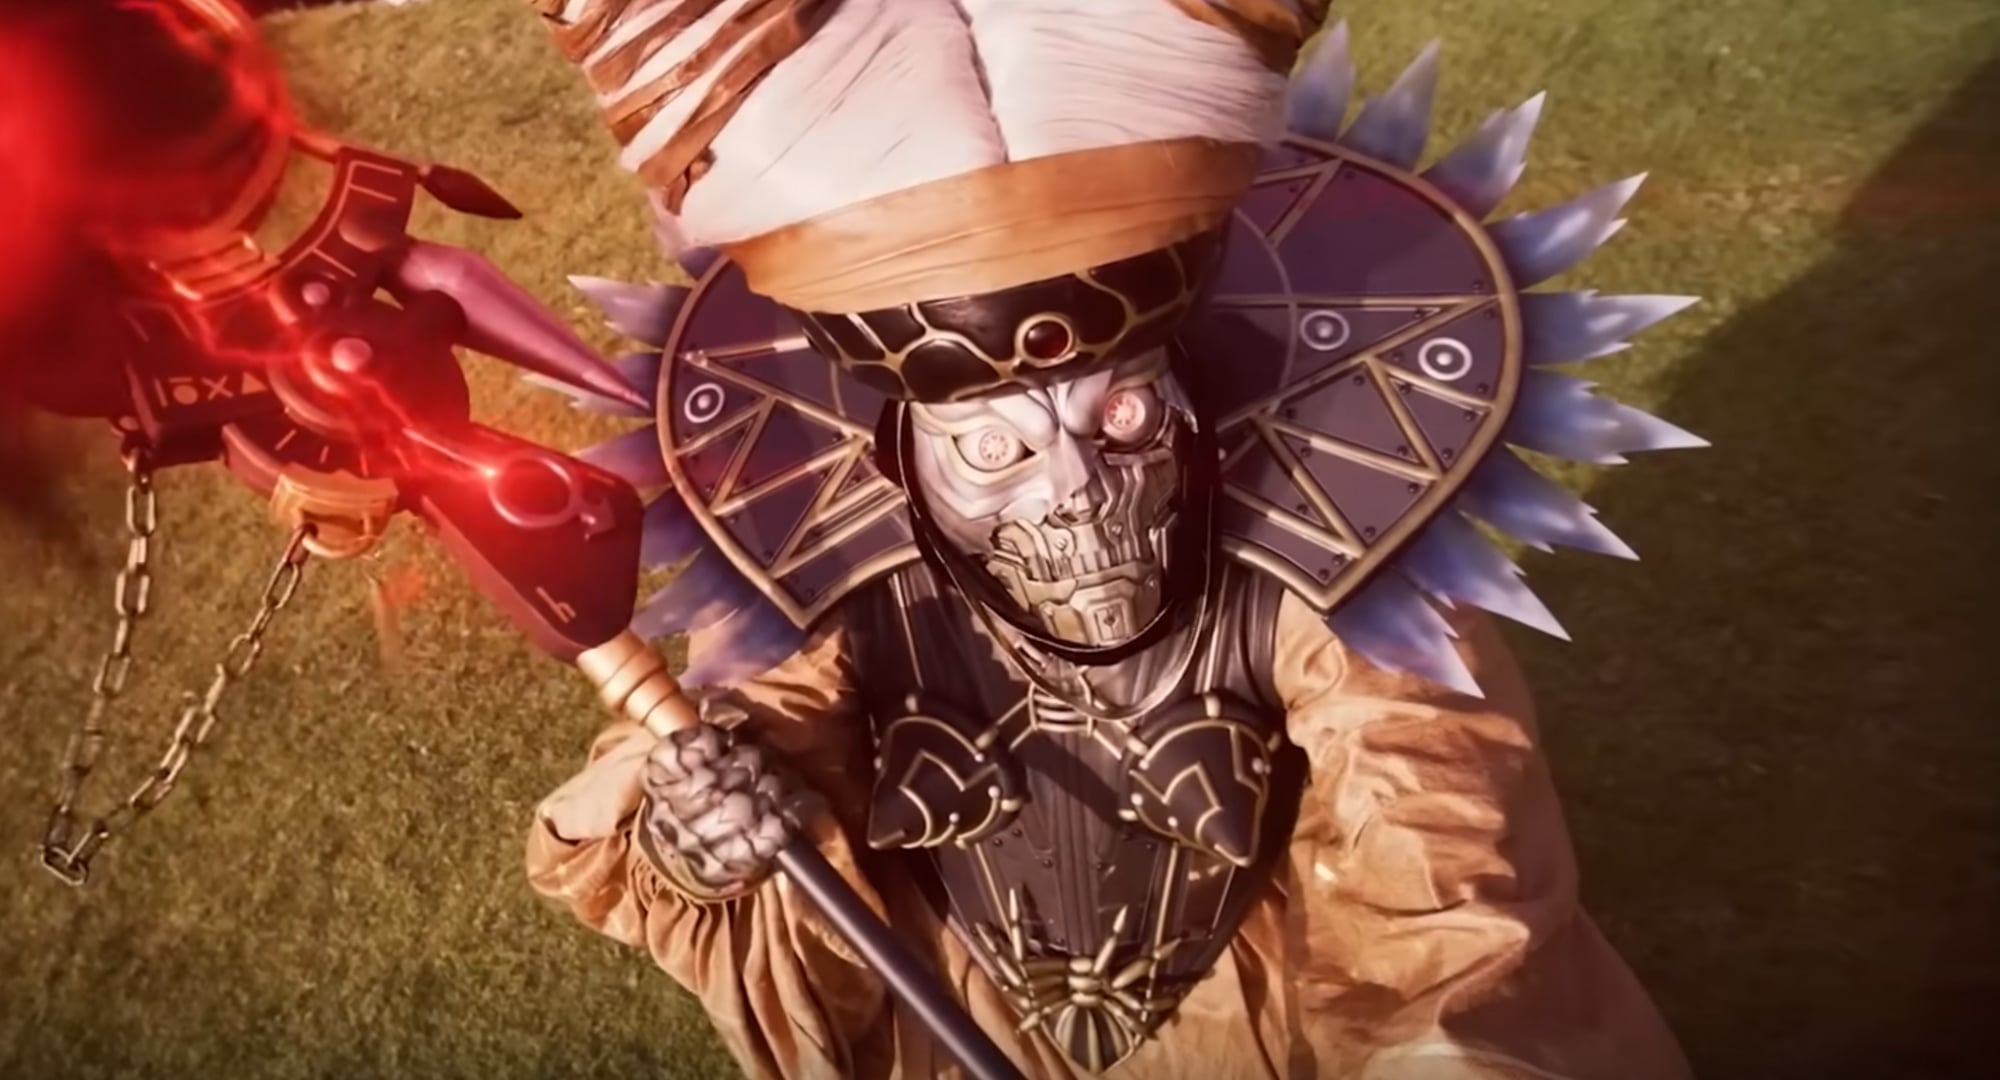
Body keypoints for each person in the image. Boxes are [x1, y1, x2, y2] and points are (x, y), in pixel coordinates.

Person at [523, 3, 1699, 1077]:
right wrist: (696, 831)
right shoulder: (831, 552)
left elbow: (1433, 835)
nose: (1074, 489)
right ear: (899, 449)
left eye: (1122, 415)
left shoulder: (1322, 544)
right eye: (994, 448)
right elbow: (755, 729)